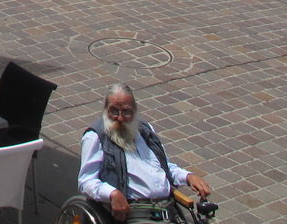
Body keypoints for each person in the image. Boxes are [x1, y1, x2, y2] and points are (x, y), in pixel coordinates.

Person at [77, 83, 211, 223]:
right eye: (114, 111)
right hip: (136, 213)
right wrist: (112, 193)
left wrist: (188, 177)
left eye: (126, 112)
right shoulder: (96, 136)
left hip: (168, 210)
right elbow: (86, 181)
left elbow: (165, 167)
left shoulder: (145, 131)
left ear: (135, 111)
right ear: (105, 110)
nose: (120, 118)